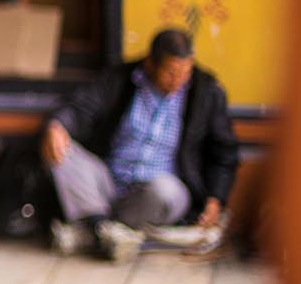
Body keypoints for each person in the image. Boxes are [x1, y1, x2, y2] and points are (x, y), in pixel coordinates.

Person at [41, 27, 238, 260]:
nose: (178, 81)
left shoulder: (206, 92)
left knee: (166, 192)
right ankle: (103, 229)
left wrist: (215, 199)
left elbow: (224, 152)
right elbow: (81, 106)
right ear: (150, 63)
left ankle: (93, 232)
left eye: (185, 73)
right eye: (171, 73)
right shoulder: (120, 78)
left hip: (154, 196)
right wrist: (57, 126)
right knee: (60, 151)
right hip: (107, 186)